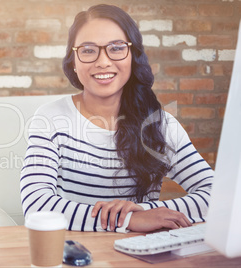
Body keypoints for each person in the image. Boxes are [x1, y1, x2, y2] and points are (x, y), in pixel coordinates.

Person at [20, 4, 213, 233]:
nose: (103, 62)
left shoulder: (161, 125)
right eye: (88, 50)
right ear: (73, 59)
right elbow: (36, 206)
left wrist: (147, 210)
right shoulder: (50, 119)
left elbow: (219, 196)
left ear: (133, 55)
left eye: (116, 48)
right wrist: (127, 221)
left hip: (141, 252)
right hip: (72, 252)